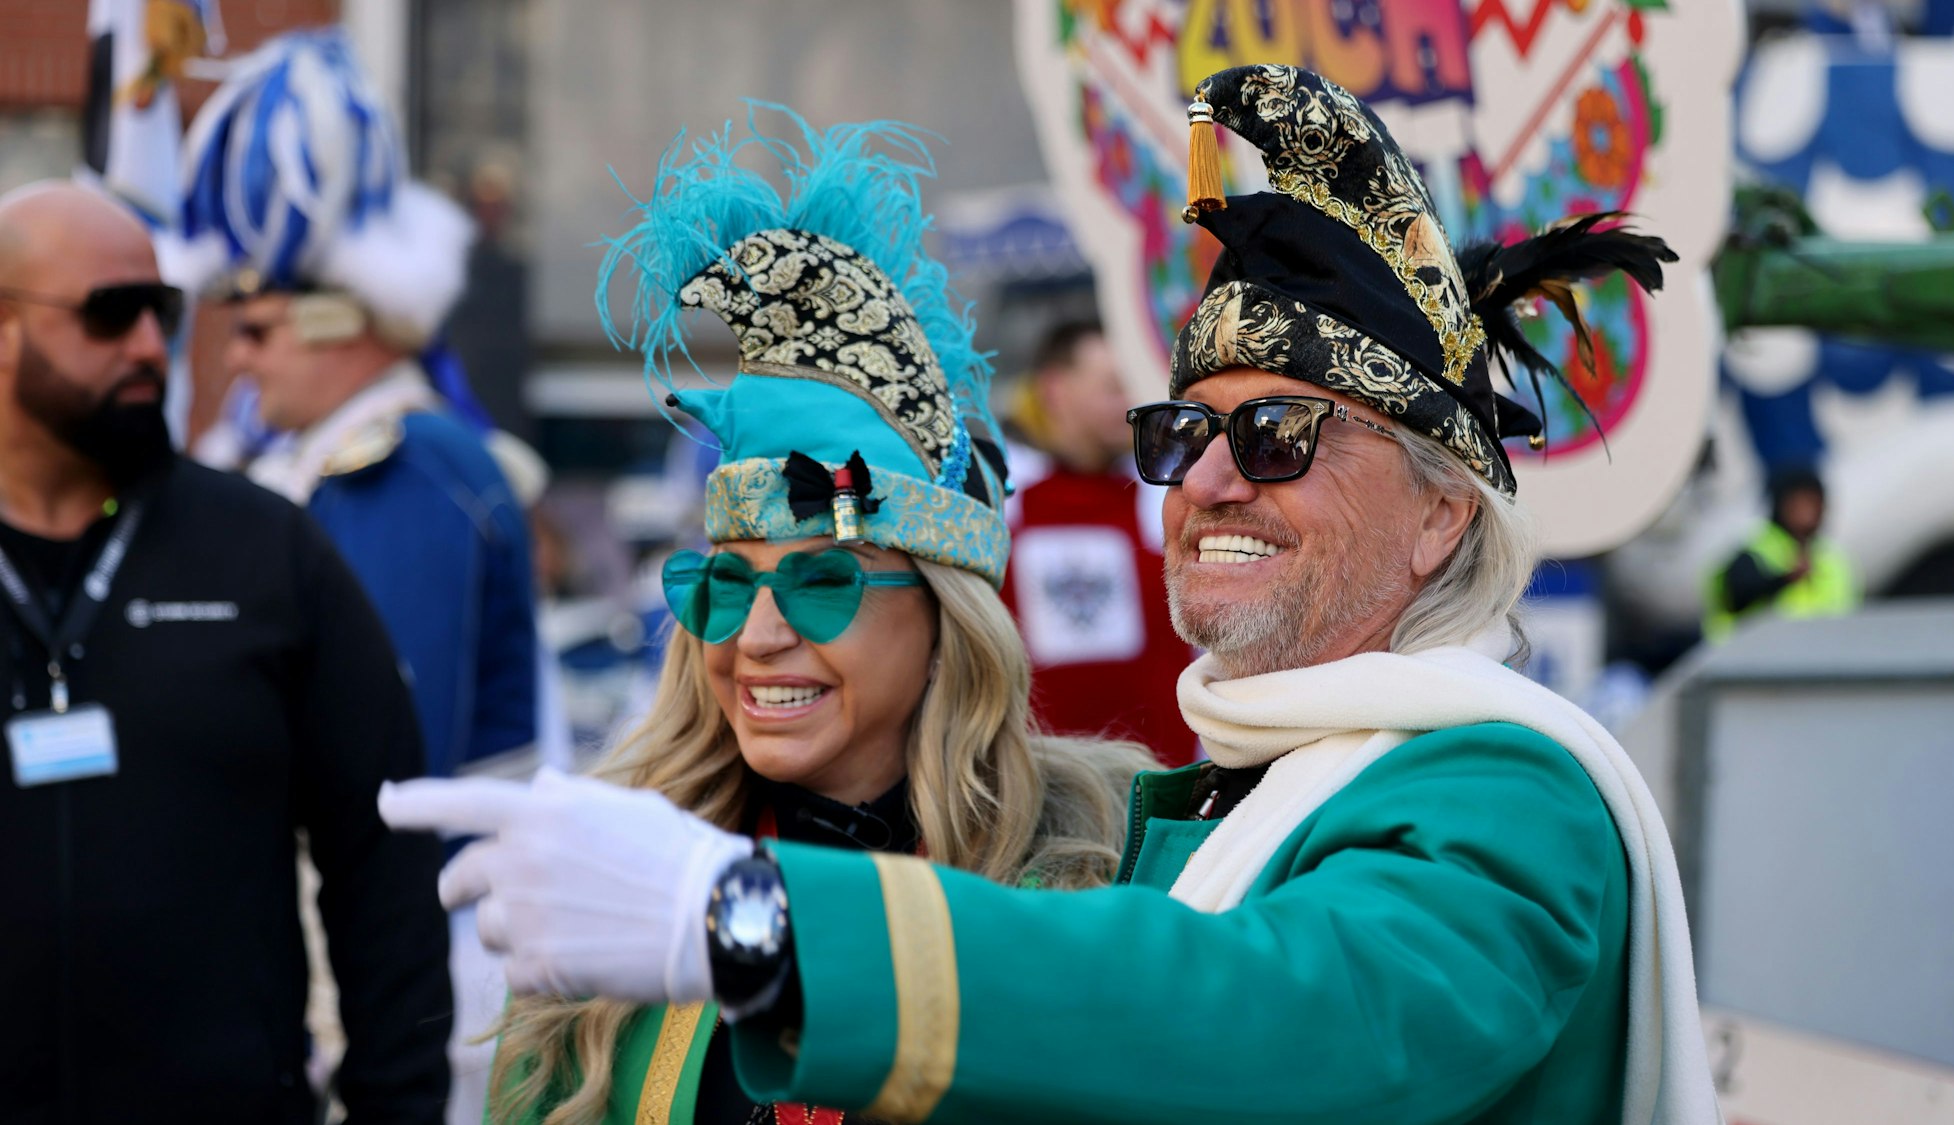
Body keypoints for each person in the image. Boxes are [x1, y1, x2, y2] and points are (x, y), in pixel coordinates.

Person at [382, 66, 1718, 1124]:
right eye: (1184, 434)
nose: (1211, 481)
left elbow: (1280, 1023)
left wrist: (748, 924)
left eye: (1278, 436)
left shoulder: (1506, 792)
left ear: (1440, 514)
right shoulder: (1206, 799)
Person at [467, 109, 1151, 1125]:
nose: (757, 637)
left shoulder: (1093, 888)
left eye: (825, 583)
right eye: (726, 585)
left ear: (946, 621)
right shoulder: (611, 892)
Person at [0, 182, 450, 1122]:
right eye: (109, 314)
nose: (150, 348)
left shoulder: (266, 552)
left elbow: (387, 865)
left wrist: (396, 1106)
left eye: (161, 312)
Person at [172, 28, 540, 781]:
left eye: (255, 330)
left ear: (338, 318)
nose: (236, 357)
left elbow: (381, 758)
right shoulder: (333, 456)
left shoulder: (406, 467)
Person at [1000, 320, 1195, 764]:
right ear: (1055, 389)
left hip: (1162, 781)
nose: (1131, 402)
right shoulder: (999, 494)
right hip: (1036, 780)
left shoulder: (1167, 494)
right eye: (1113, 386)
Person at [1703, 462, 1858, 641]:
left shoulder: (1834, 559)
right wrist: (1783, 580)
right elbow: (1737, 595)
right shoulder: (1755, 551)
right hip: (1754, 663)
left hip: (1824, 661)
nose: (1806, 513)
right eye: (1798, 504)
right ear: (1779, 506)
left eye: (1813, 502)